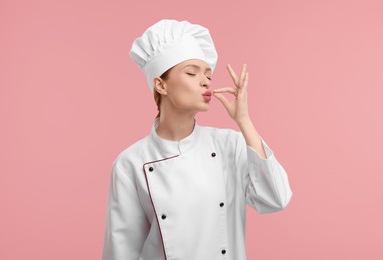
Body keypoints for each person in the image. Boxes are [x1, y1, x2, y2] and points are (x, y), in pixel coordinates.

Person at [101, 19, 293, 260]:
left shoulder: (229, 146)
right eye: (192, 72)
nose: (205, 82)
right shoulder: (130, 163)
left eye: (208, 76)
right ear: (161, 84)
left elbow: (276, 198)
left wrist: (244, 121)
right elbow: (122, 250)